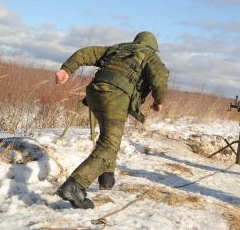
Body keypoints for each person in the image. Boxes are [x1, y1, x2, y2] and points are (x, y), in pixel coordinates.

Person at [55, 31, 169, 208]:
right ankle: (75, 186)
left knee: (109, 137)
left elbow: (86, 52)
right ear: (153, 47)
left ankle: (107, 178)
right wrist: (159, 101)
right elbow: (159, 77)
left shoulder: (117, 49)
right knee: (109, 144)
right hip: (115, 97)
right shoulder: (149, 56)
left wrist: (66, 69)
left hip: (94, 93)